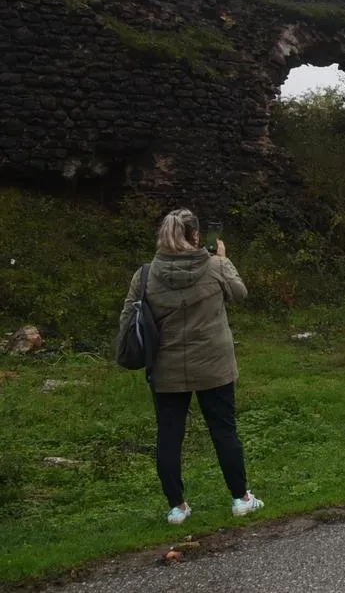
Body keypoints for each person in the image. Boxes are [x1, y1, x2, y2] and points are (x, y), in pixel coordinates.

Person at [119, 208, 262, 525]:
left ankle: (177, 508)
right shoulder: (215, 265)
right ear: (196, 236)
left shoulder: (145, 274)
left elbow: (128, 320)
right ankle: (241, 499)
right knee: (224, 431)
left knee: (169, 436)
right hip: (215, 365)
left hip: (167, 367)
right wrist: (224, 259)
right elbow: (240, 294)